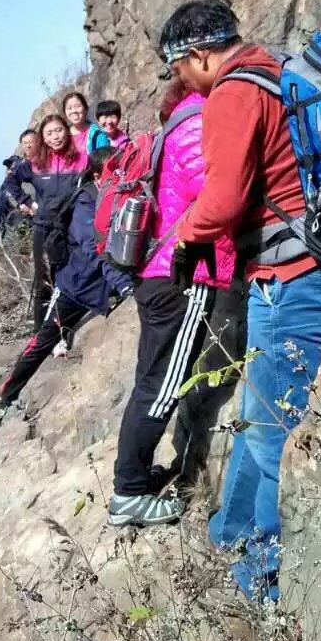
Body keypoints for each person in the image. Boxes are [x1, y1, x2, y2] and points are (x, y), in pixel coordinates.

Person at [163, 0, 321, 603]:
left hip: (292, 280)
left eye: (178, 68)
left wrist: (186, 234)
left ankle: (265, 587)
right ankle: (231, 534)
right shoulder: (276, 71)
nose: (181, 82)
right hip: (313, 264)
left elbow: (224, 200)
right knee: (258, 413)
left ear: (197, 55)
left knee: (272, 428)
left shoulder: (231, 93)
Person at [108, 80, 240, 528]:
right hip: (183, 274)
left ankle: (136, 480)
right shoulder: (196, 123)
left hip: (161, 270)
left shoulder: (179, 123)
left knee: (150, 382)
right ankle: (128, 494)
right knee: (161, 388)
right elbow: (220, 198)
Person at [0, 147, 130, 406]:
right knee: (44, 341)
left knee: (52, 338)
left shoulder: (119, 196)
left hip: (101, 284)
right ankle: (6, 395)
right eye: (114, 171)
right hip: (76, 288)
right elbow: (94, 249)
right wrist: (123, 283)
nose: (121, 176)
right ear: (96, 175)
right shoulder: (86, 202)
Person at [22, 114, 87, 330]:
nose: (55, 136)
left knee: (67, 277)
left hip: (70, 228)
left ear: (66, 131)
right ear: (43, 137)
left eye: (58, 130)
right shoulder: (36, 162)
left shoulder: (81, 157)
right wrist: (27, 202)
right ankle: (40, 331)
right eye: (49, 133)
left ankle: (63, 328)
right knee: (44, 281)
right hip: (43, 229)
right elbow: (11, 181)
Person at [0, 130, 40, 242]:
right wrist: (22, 205)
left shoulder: (36, 166)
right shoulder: (14, 176)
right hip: (23, 214)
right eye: (25, 143)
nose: (28, 146)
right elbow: (6, 197)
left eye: (31, 142)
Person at [63, 91, 110, 156]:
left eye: (77, 106)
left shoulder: (97, 134)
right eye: (69, 108)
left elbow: (105, 159)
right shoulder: (62, 136)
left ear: (85, 108)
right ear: (65, 113)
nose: (74, 111)